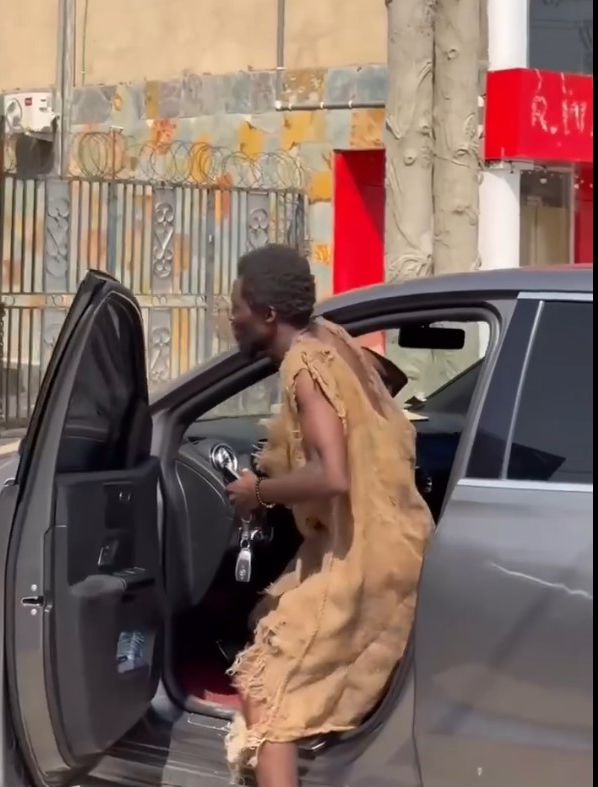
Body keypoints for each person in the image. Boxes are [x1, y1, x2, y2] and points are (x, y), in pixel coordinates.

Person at [225, 244, 434, 787]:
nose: (231, 317)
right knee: (268, 624)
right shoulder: (331, 337)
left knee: (265, 691)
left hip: (366, 552)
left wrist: (259, 491)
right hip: (386, 532)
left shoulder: (304, 366)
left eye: (237, 306)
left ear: (267, 314)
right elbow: (380, 394)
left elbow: (334, 475)